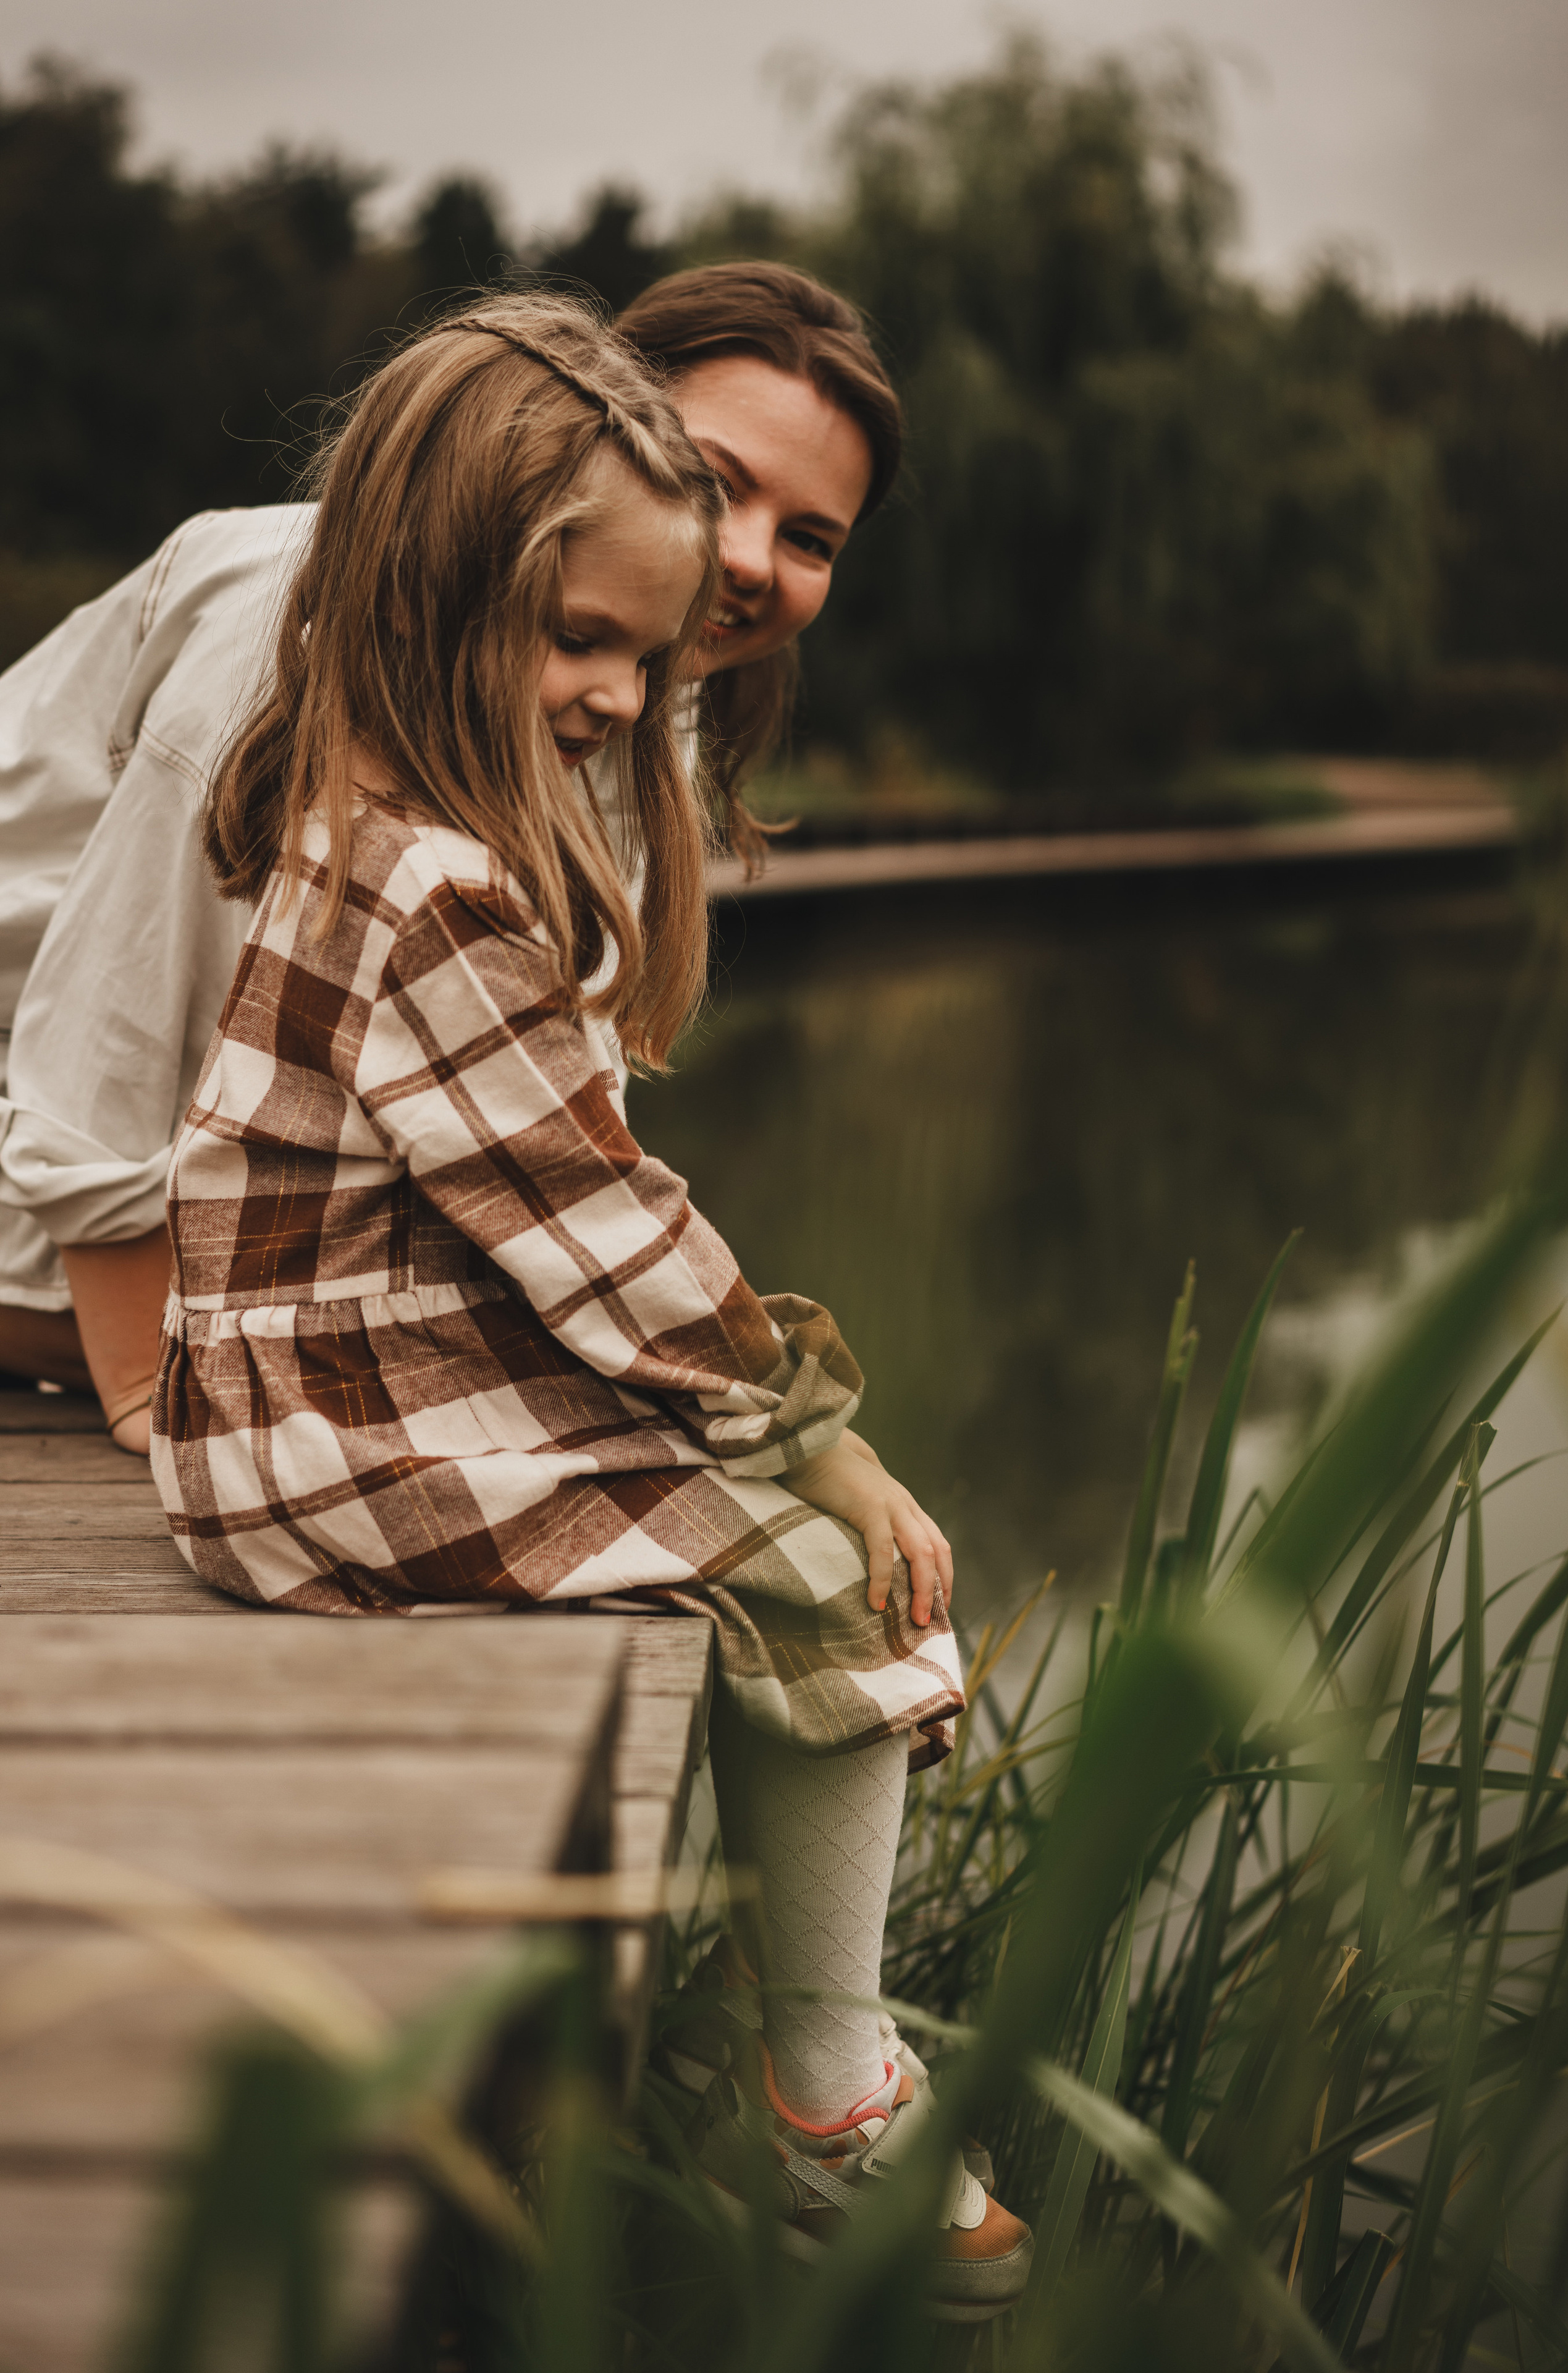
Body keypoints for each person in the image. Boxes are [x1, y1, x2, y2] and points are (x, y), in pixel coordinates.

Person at [151, 290, 1031, 2312]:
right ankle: (826, 2098)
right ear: (430, 589)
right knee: (822, 1569)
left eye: (646, 656)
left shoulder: (360, 800)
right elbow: (605, 1231)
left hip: (303, 1401)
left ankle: (802, 2031)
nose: (633, 702)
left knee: (751, 1516)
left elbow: (545, 1221)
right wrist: (825, 1437)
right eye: (586, 644)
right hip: (324, 1442)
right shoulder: (444, 888)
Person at [0, 262, 898, 1452]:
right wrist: (139, 1392)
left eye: (811, 539)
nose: (747, 556)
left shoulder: (627, 704)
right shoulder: (298, 634)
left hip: (230, 1248)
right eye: (717, 480)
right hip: (57, 1216)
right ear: (590, 416)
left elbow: (543, 1079)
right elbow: (106, 1036)